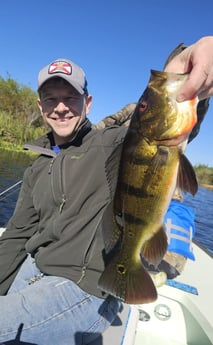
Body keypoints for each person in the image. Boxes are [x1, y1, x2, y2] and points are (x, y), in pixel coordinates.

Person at [0, 36, 212, 344]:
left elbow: (157, 129)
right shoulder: (36, 166)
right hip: (35, 268)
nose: (60, 107)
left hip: (86, 286)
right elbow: (18, 233)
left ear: (87, 102)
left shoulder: (110, 143)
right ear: (40, 106)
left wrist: (185, 64)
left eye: (70, 97)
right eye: (50, 98)